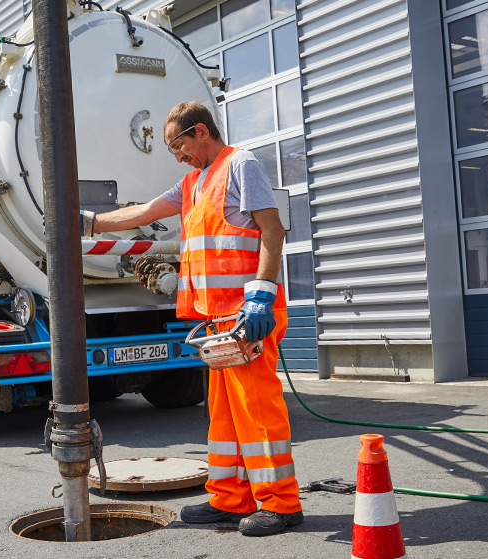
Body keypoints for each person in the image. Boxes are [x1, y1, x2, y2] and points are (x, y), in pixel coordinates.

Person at [80, 102, 302, 536]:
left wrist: (261, 296)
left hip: (247, 315)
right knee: (225, 415)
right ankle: (231, 499)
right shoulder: (192, 182)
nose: (176, 155)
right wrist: (87, 223)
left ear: (201, 132)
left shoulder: (241, 165)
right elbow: (143, 213)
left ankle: (281, 504)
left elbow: (272, 229)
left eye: (177, 145)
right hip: (219, 321)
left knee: (257, 411)